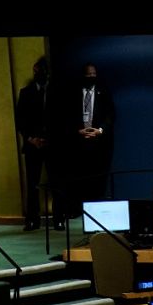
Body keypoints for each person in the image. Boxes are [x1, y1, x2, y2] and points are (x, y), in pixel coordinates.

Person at [15, 56, 55, 230]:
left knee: (56, 181)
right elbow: (20, 120)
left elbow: (61, 119)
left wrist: (50, 139)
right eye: (38, 70)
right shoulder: (26, 92)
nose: (40, 74)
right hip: (32, 145)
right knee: (32, 184)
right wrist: (31, 139)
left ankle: (59, 217)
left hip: (52, 144)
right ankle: (32, 218)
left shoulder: (55, 92)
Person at [68, 62, 115, 211]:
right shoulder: (73, 92)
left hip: (99, 143)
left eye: (93, 74)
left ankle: (97, 209)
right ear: (83, 76)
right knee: (80, 178)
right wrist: (77, 130)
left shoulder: (104, 91)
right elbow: (65, 116)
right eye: (88, 75)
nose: (91, 77)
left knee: (99, 179)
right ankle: (79, 208)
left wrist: (100, 130)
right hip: (78, 143)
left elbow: (111, 115)